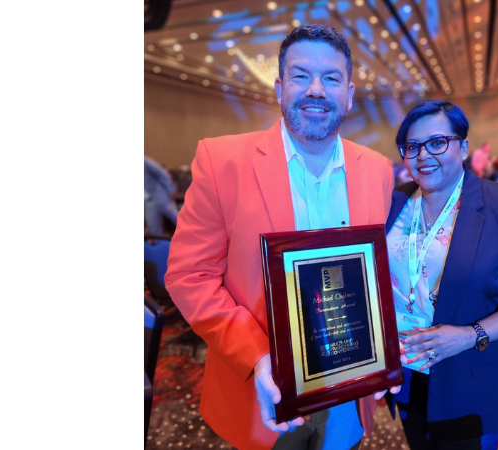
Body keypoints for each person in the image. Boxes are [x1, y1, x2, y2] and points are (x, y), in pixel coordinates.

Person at [164, 24, 399, 450]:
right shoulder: (222, 162)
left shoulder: (378, 170)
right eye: (300, 75)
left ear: (349, 93)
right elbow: (190, 276)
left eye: (331, 79)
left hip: (351, 387)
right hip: (262, 392)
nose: (316, 90)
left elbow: (374, 275)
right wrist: (256, 356)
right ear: (278, 87)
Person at [383, 101, 498, 450]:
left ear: (463, 146)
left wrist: (469, 334)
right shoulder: (394, 203)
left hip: (470, 379)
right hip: (405, 376)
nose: (423, 155)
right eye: (412, 147)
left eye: (437, 142)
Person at [143, 154, 179, 236]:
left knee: (178, 219)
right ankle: (158, 246)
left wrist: (170, 189)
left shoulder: (145, 161)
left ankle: (196, 238)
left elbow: (162, 172)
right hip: (147, 202)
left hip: (160, 196)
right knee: (153, 229)